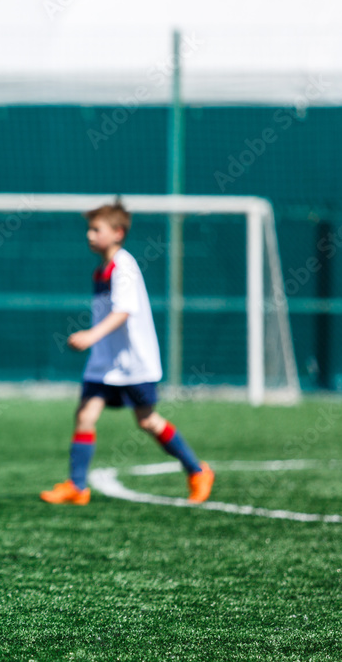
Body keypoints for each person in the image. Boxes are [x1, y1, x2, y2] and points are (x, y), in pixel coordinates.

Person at [40, 200, 214, 506]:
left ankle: (197, 471)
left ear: (118, 233)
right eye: (89, 229)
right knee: (84, 415)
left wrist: (91, 335)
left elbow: (124, 311)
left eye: (96, 230)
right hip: (104, 364)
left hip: (134, 364)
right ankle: (77, 487)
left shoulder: (124, 267)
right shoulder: (101, 271)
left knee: (147, 422)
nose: (89, 235)